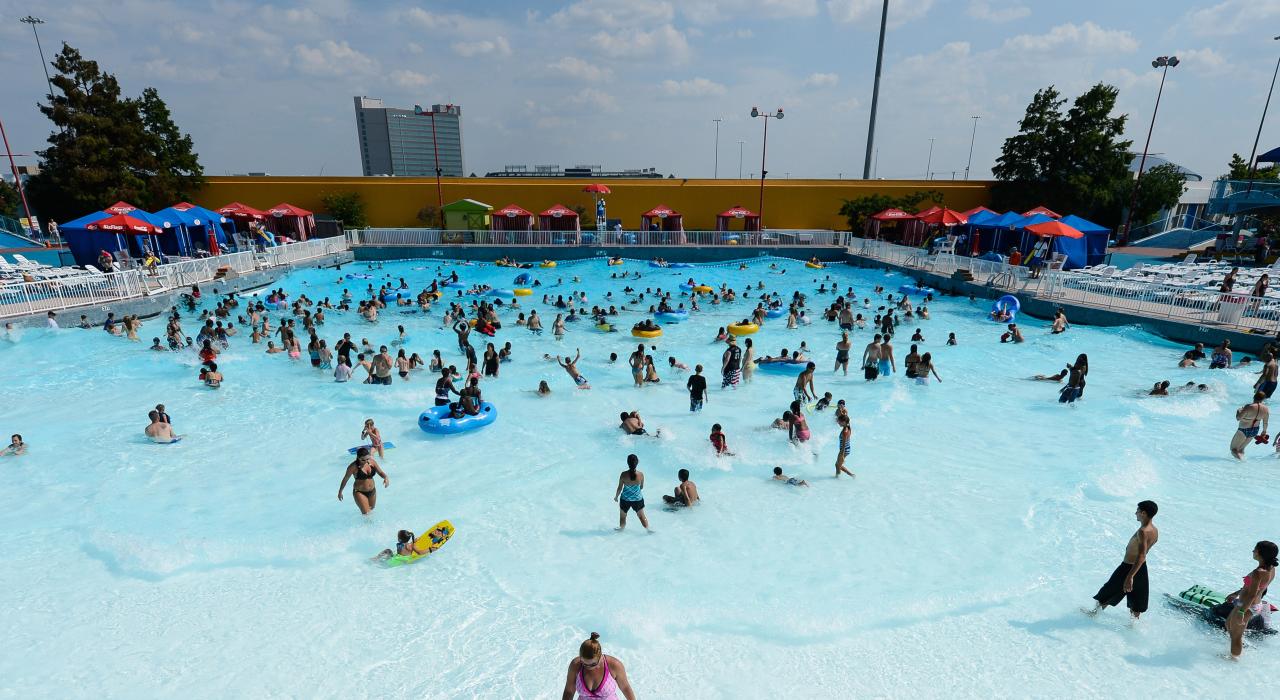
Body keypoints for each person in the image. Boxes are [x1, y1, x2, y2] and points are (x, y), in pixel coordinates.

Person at [1085, 500, 1159, 620]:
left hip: (1128, 567)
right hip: (1141, 568)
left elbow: (1141, 555)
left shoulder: (1143, 532)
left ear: (1144, 513)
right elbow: (1145, 554)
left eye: (1138, 511)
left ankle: (1093, 615)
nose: (1136, 513)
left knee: (1107, 592)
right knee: (1137, 599)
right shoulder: (1154, 530)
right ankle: (1133, 626)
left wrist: (1129, 577)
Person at [1224, 541, 1278, 658]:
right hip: (1246, 603)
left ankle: (1233, 659)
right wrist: (1236, 593)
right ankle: (1238, 645)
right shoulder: (1270, 568)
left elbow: (1252, 594)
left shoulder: (1258, 572)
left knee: (1236, 635)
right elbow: (1255, 588)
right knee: (1229, 625)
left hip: (1247, 606)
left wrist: (1241, 612)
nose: (1253, 551)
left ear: (1259, 553)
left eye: (1255, 549)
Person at [560, 632, 638, 700]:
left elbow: (625, 687)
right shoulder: (575, 665)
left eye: (593, 664)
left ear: (600, 656)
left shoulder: (614, 665)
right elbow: (569, 691)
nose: (588, 667)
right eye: (584, 663)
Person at [337, 447, 388, 516]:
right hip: (360, 492)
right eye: (363, 460)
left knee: (371, 510)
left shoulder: (372, 462)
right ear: (358, 457)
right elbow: (345, 479)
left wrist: (385, 477)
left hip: (372, 491)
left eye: (367, 459)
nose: (366, 461)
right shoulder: (353, 467)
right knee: (367, 514)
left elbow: (380, 472)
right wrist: (340, 491)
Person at [614, 454, 651, 532]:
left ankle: (621, 530)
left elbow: (620, 488)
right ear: (637, 463)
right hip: (637, 499)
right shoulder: (641, 474)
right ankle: (648, 530)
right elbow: (641, 487)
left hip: (625, 499)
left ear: (628, 463)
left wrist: (616, 497)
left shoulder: (623, 474)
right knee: (641, 516)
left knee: (623, 517)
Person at [1231, 391, 1270, 460]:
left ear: (1254, 397)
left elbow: (1238, 418)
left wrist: (1238, 410)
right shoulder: (1266, 409)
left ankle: (1241, 462)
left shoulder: (1248, 407)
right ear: (1263, 399)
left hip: (1243, 429)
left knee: (1233, 449)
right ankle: (1242, 463)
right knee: (1241, 449)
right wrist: (1264, 431)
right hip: (1255, 431)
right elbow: (1265, 422)